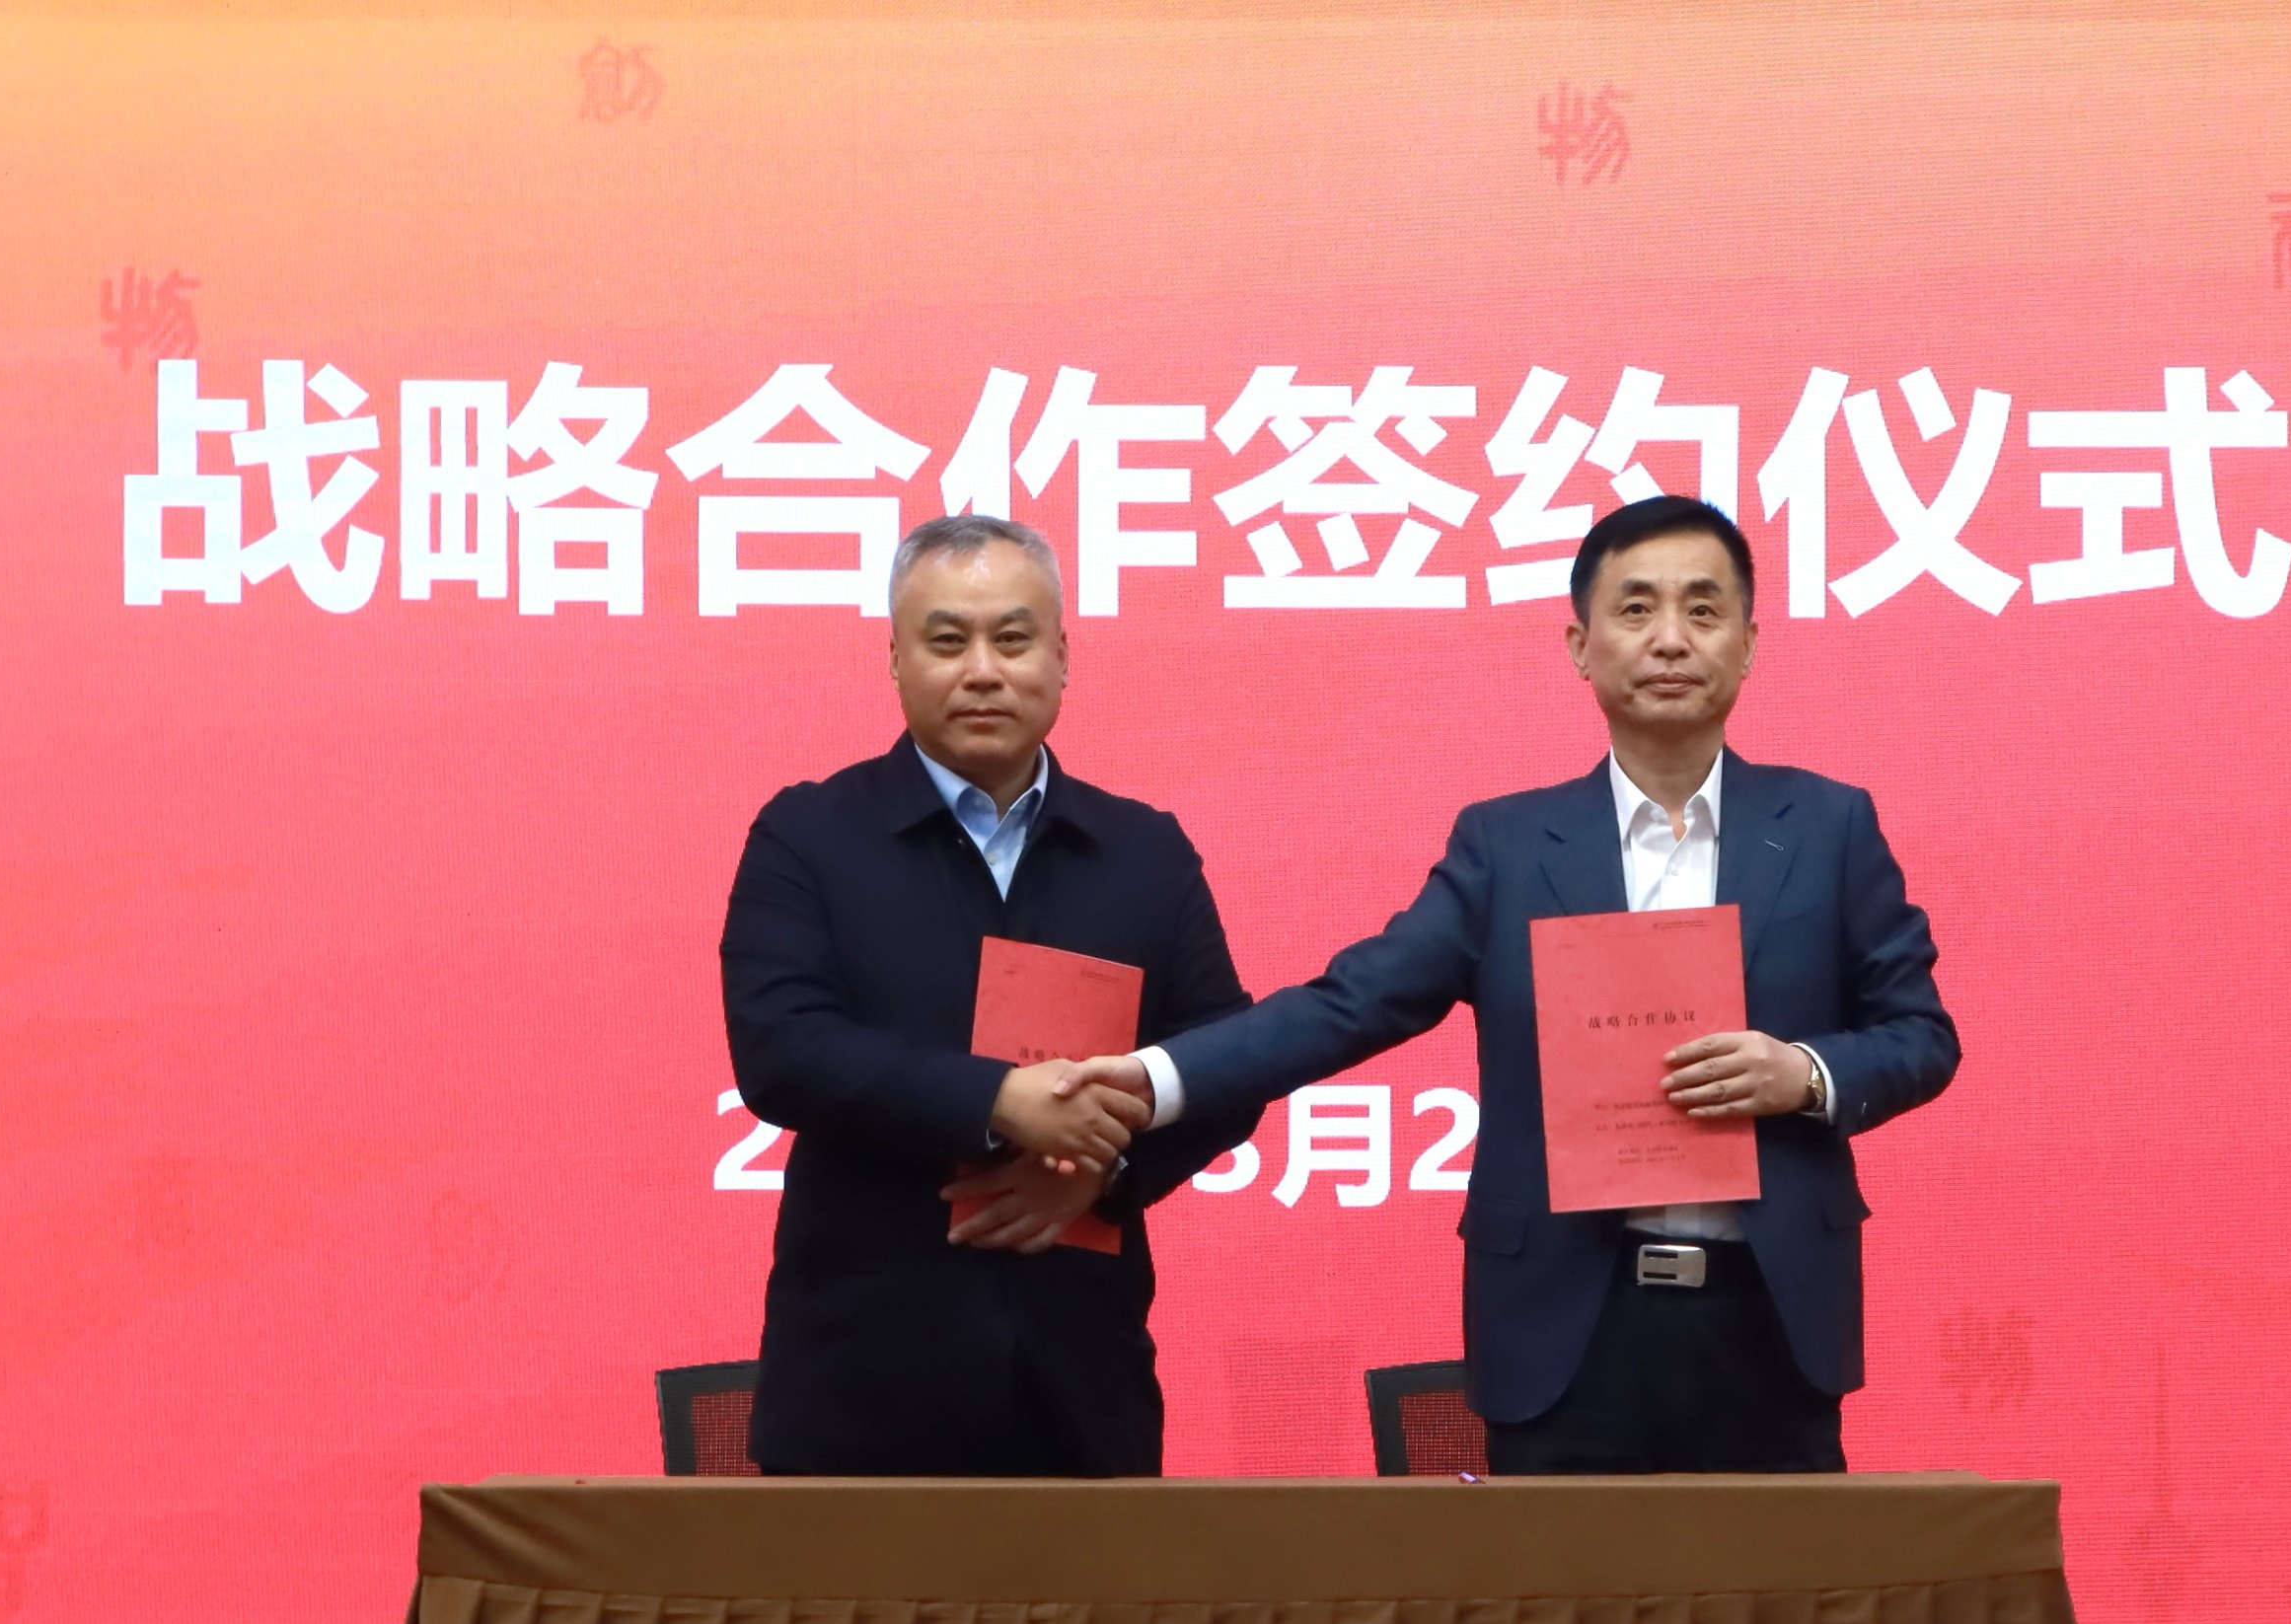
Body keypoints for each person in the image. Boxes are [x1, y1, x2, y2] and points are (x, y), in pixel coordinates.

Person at [1056, 496, 1958, 1473]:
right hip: (1565, 1323)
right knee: (1559, 1579)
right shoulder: (1508, 846)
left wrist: (1805, 1074)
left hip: (1770, 1318)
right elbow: (1351, 1002)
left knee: (1774, 1581)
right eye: (1635, 608)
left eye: (1703, 610)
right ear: (1580, 646)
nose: (1670, 638)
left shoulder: (1828, 827)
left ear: (1747, 645)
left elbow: (1920, 1033)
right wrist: (1155, 1078)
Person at [719, 514, 1257, 1476]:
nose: (981, 671)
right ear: (895, 659)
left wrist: (1109, 1173)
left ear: (1061, 656)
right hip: (860, 1382)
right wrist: (997, 1100)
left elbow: (1226, 1059)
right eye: (946, 641)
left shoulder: (1144, 852)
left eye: (1012, 638)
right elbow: (781, 1049)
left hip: (1082, 1382)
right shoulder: (809, 834)